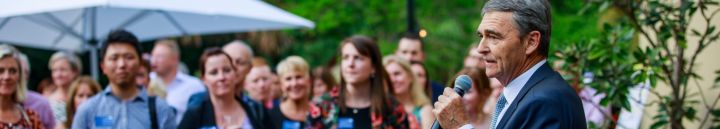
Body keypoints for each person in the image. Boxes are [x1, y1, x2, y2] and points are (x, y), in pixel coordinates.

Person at [432, 0, 586, 129]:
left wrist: (460, 127)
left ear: (531, 42)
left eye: (493, 36)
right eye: (481, 36)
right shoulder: (526, 93)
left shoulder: (547, 101)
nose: (481, 48)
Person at [72, 30, 177, 129]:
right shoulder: (88, 110)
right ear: (103, 66)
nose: (121, 64)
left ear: (140, 63)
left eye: (128, 57)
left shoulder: (160, 110)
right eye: (114, 58)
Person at [178, 48, 273, 129]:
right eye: (214, 72)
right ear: (204, 79)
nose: (222, 77)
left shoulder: (255, 109)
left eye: (227, 70)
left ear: (235, 74)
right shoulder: (196, 113)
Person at [329, 35, 409, 128]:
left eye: (358, 58)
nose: (350, 64)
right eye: (346, 57)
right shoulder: (324, 107)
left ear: (373, 67)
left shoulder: (392, 109)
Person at [150, 39, 206, 123]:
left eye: (159, 56)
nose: (154, 60)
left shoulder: (194, 86)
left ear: (174, 59)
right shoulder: (144, 82)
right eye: (152, 56)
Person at [268, 56, 327, 128]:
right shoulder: (270, 116)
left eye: (299, 77)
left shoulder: (323, 113)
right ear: (281, 85)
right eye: (288, 79)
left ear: (309, 81)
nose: (294, 84)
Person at [383, 55, 434, 129]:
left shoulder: (424, 111)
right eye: (387, 76)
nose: (392, 79)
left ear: (410, 76)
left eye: (397, 74)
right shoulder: (379, 109)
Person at [0, 44, 43, 129]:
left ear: (20, 77)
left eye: (13, 71)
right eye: (0, 71)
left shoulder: (31, 118)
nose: (7, 77)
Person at [16, 48, 57, 129]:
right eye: (2, 71)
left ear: (27, 74)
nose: (8, 76)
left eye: (21, 72)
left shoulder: (41, 104)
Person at [46, 51, 83, 124]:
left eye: (63, 69)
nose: (58, 74)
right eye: (54, 70)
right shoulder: (47, 101)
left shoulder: (85, 96)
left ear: (74, 72)